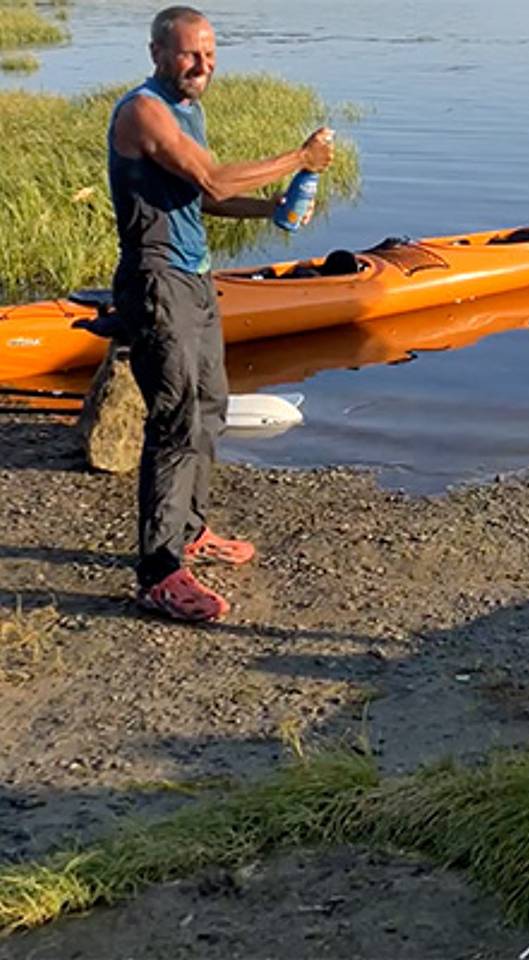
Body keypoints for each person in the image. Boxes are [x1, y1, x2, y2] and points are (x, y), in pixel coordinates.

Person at [108, 5, 334, 621]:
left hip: (197, 281)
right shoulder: (143, 110)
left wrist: (273, 211)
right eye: (189, 53)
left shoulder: (188, 110)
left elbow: (201, 198)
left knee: (209, 408)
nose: (203, 64)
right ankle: (158, 571)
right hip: (158, 283)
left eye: (210, 53)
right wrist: (298, 159)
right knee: (176, 417)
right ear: (157, 53)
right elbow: (211, 180)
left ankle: (191, 530)